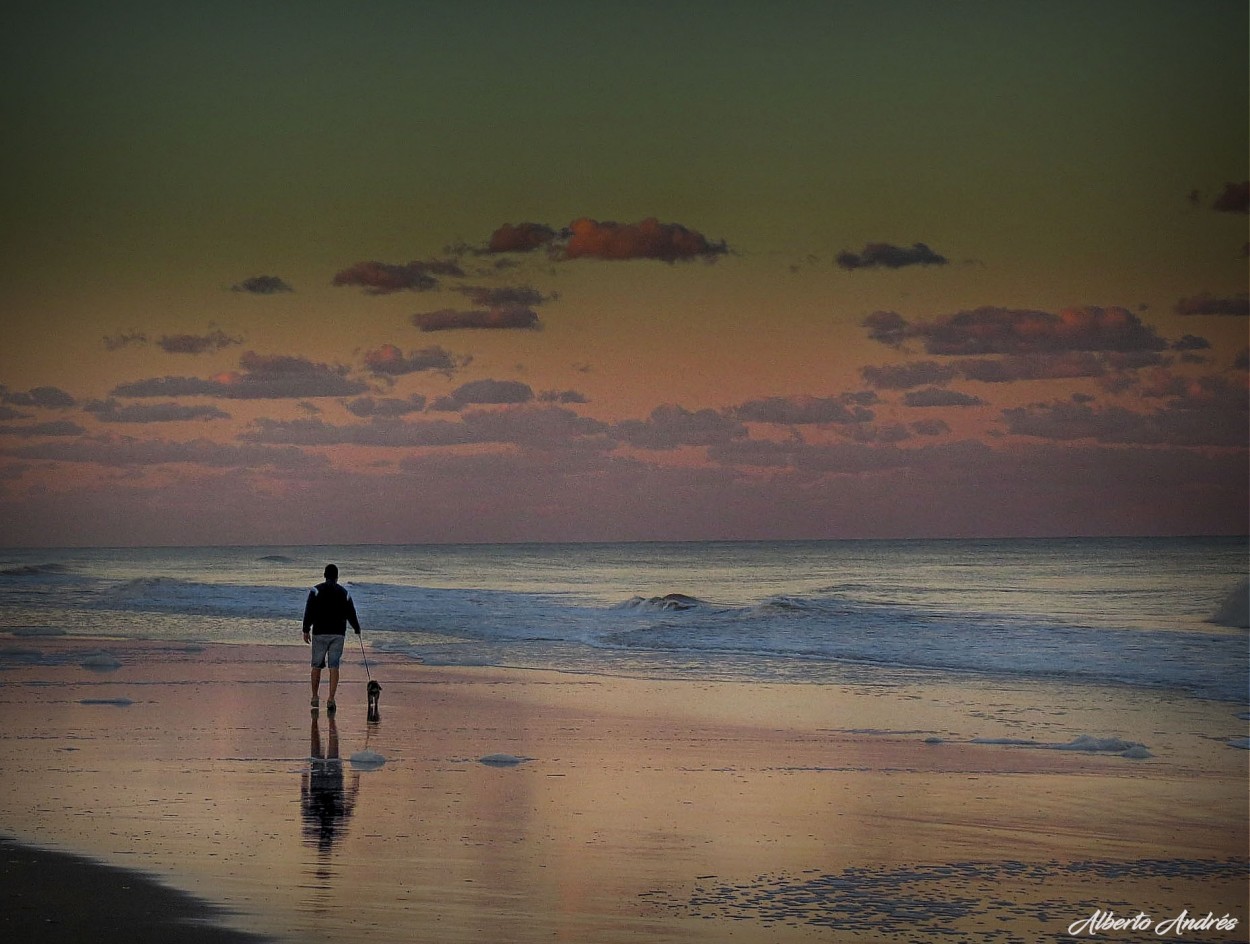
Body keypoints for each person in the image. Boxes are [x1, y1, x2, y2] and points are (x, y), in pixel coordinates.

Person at [302, 564, 361, 713]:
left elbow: (309, 610)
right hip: (338, 634)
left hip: (320, 633)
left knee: (316, 665)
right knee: (334, 666)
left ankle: (315, 696)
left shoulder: (315, 591)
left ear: (324, 575)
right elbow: (351, 613)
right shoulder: (344, 593)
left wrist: (306, 629)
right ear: (337, 577)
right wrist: (356, 628)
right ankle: (331, 699)